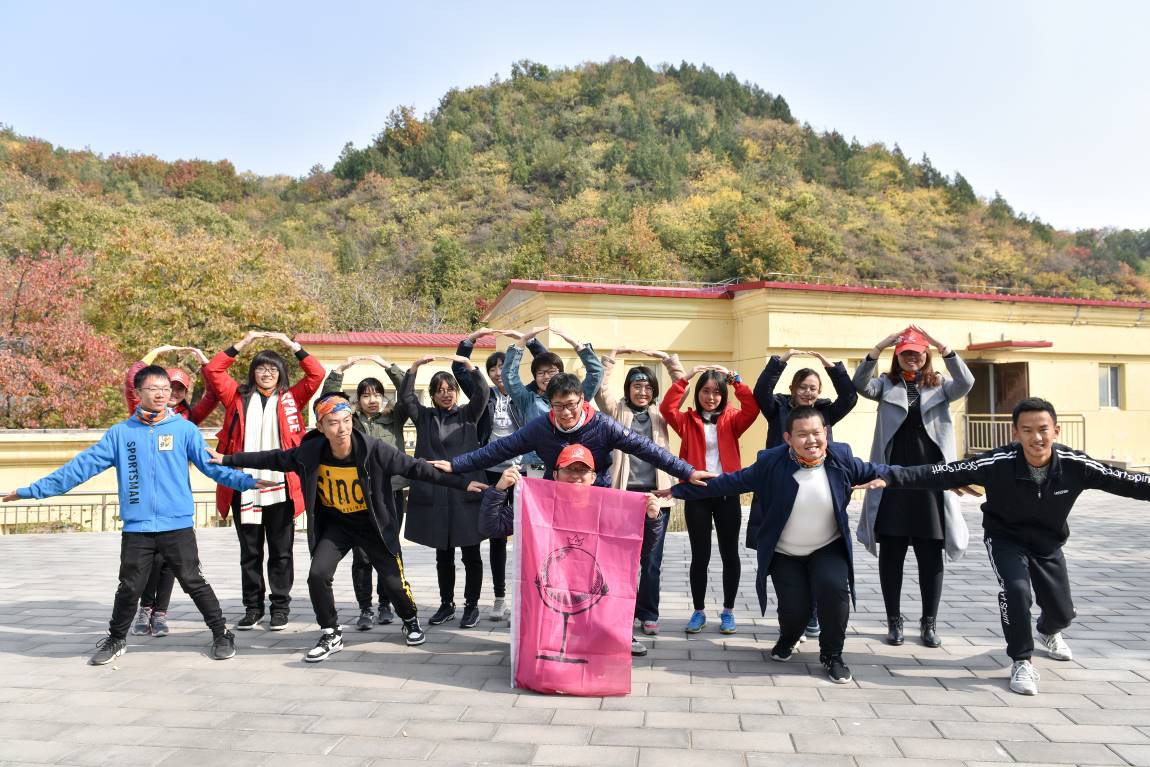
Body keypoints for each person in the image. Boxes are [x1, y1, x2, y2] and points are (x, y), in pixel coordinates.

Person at [875, 397, 1150, 695]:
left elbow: (1125, 480)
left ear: (1056, 431)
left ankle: (1048, 631)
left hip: (1047, 543)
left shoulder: (1075, 465)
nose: (1036, 438)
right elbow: (942, 472)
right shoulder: (997, 462)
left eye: (1043, 429)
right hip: (1005, 538)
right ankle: (1022, 660)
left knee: (1062, 613)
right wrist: (888, 476)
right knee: (1016, 590)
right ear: (1015, 433)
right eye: (1027, 430)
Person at [2, 366, 268, 665]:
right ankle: (116, 639)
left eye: (166, 389)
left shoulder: (184, 430)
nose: (161, 394)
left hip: (176, 525)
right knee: (129, 587)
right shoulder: (120, 433)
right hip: (138, 527)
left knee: (193, 581)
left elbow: (213, 467)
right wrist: (30, 491)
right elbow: (79, 469)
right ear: (138, 392)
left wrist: (246, 481)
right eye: (154, 388)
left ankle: (221, 634)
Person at [211, 392, 486, 661]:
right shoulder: (311, 452)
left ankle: (410, 619)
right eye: (333, 423)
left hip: (372, 525)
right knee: (317, 575)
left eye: (345, 421)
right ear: (321, 427)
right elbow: (273, 458)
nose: (341, 428)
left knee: (394, 583)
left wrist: (462, 484)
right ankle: (331, 632)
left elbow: (416, 468)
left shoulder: (373, 449)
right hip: (337, 524)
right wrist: (228, 459)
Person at [667, 406, 889, 684]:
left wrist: (932, 474)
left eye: (817, 433)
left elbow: (888, 471)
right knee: (794, 611)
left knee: (833, 590)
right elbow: (728, 483)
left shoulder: (840, 458)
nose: (811, 440)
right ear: (788, 438)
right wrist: (676, 490)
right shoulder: (771, 462)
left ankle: (832, 655)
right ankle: (789, 636)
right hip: (786, 553)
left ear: (826, 433)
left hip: (827, 546)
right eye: (802, 434)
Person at [479, 444, 664, 657]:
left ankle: (619, 632)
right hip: (552, 588)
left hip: (595, 589)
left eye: (582, 470)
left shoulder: (609, 506)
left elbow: (640, 549)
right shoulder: (535, 502)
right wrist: (498, 490)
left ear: (593, 477)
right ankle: (544, 636)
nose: (575, 476)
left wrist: (653, 519)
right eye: (569, 469)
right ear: (555, 474)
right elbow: (490, 528)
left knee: (617, 579)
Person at [853, 325, 974, 648]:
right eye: (905, 353)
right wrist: (879, 346)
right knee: (891, 553)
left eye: (917, 354)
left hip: (931, 483)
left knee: (930, 554)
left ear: (926, 356)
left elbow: (966, 382)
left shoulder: (941, 386)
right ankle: (894, 621)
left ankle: (929, 622)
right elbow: (859, 383)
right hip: (892, 480)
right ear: (897, 356)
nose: (912, 359)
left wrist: (943, 346)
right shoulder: (885, 385)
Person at [202, 330, 325, 631]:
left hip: (282, 487)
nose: (267, 373)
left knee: (281, 552)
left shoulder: (291, 398)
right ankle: (252, 608)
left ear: (281, 373)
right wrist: (243, 343)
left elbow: (317, 373)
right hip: (245, 487)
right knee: (250, 553)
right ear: (252, 372)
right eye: (261, 368)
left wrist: (290, 344)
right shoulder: (237, 396)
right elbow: (213, 370)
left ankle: (280, 608)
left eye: (273, 368)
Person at [435, 373, 714, 491]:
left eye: (571, 405)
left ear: (582, 400)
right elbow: (500, 448)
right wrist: (456, 464)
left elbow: (646, 447)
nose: (566, 413)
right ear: (550, 404)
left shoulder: (603, 425)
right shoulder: (540, 427)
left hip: (596, 494)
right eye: (558, 406)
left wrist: (687, 471)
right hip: (554, 495)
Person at [752, 348, 858, 640]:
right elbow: (760, 392)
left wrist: (833, 367)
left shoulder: (825, 413)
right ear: (793, 388)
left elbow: (850, 397)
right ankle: (792, 616)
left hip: (816, 491)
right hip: (781, 490)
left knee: (818, 553)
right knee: (783, 556)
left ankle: (810, 614)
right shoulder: (777, 408)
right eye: (803, 387)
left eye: (813, 388)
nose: (808, 393)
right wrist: (780, 360)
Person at [123, 345, 220, 638]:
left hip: (174, 494)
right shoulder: (141, 413)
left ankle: (160, 613)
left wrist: (206, 363)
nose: (171, 393)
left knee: (169, 562)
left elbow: (215, 394)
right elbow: (131, 379)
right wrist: (155, 352)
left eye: (178, 389)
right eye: (167, 387)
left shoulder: (188, 419)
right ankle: (145, 608)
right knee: (150, 560)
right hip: (145, 497)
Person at [660, 364, 760, 635]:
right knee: (700, 555)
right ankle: (699, 611)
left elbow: (752, 408)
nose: (711, 397)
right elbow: (667, 408)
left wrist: (736, 380)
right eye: (705, 391)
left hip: (727, 493)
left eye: (717, 392)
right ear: (698, 393)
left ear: (723, 395)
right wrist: (686, 377)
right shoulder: (687, 420)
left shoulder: (732, 419)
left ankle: (728, 611)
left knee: (730, 554)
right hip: (698, 494)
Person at [453, 327, 545, 621]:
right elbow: (459, 369)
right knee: (497, 536)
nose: (497, 373)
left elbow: (545, 366)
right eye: (492, 368)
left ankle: (528, 596)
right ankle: (500, 598)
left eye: (502, 367)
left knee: (530, 534)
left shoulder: (524, 394)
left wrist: (529, 340)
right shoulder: (484, 395)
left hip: (525, 471)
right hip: (492, 472)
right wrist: (471, 340)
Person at [595, 348, 684, 647]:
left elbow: (681, 388)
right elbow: (599, 389)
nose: (642, 391)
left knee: (652, 560)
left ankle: (648, 613)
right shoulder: (617, 411)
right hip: (623, 496)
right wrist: (611, 358)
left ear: (654, 390)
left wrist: (669, 360)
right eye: (636, 386)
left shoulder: (662, 413)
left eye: (647, 387)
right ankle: (621, 611)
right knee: (621, 560)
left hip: (656, 497)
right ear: (628, 388)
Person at [400, 354, 490, 629]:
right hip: (438, 493)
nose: (446, 394)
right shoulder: (424, 417)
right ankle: (446, 604)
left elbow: (483, 393)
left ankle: (471, 606)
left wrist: (471, 367)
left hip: (467, 491)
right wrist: (414, 367)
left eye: (450, 389)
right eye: (440, 390)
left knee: (471, 554)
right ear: (432, 395)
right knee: (443, 554)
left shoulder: (468, 414)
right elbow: (406, 398)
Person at [322, 354, 409, 629]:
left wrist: (388, 365)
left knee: (388, 549)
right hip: (360, 494)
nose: (372, 399)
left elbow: (407, 391)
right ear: (357, 400)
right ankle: (365, 608)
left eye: (377, 394)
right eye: (366, 395)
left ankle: (386, 604)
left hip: (391, 492)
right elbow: (328, 400)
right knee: (361, 555)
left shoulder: (395, 417)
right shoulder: (351, 421)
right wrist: (339, 369)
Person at [502, 326, 604, 476]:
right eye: (541, 373)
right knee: (537, 493)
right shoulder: (528, 400)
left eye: (551, 372)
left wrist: (577, 345)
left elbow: (596, 372)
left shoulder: (575, 397)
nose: (546, 377)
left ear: (560, 374)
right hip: (537, 465)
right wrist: (522, 341)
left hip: (570, 465)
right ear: (535, 377)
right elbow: (509, 377)